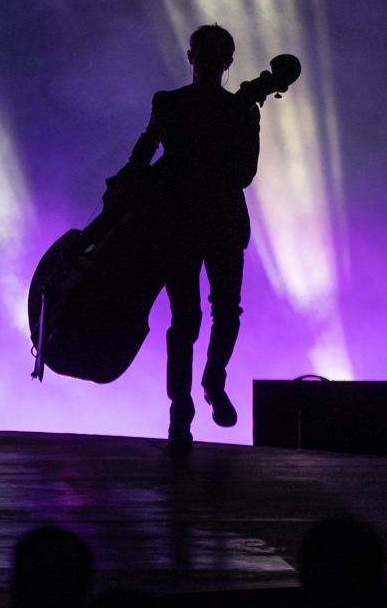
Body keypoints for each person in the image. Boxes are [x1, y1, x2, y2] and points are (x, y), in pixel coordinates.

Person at [124, 24, 260, 452]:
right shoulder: (226, 109)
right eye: (205, 56)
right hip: (201, 221)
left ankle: (188, 401)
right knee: (207, 316)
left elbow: (145, 154)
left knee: (195, 318)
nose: (205, 64)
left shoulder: (176, 104)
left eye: (207, 57)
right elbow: (242, 174)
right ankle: (197, 395)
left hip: (189, 221)